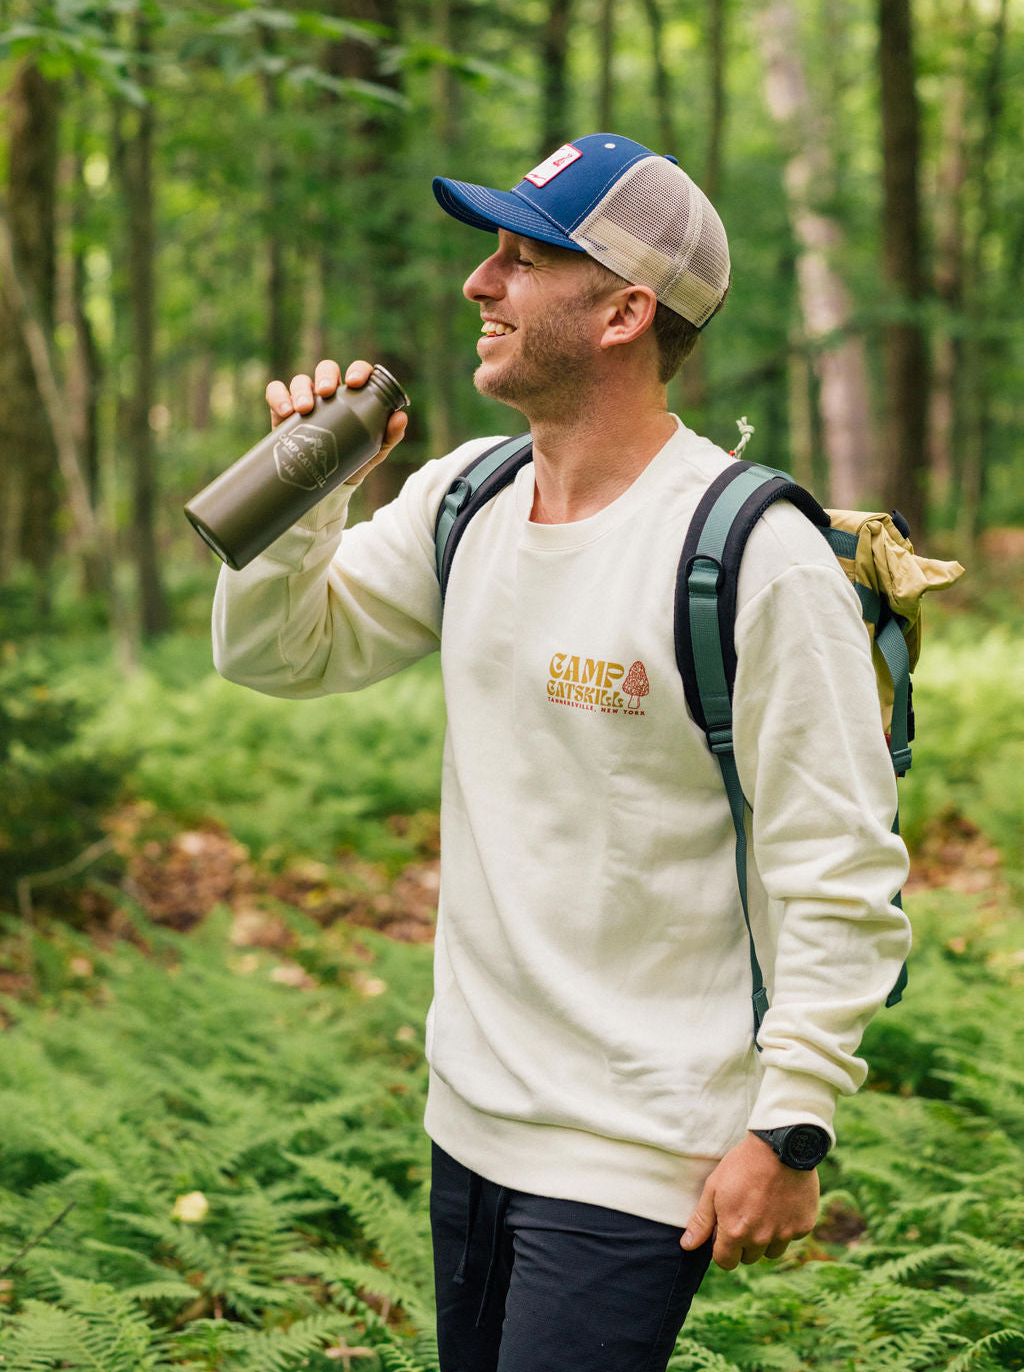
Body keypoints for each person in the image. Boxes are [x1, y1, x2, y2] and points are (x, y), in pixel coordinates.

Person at [212, 133, 911, 1372]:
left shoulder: (754, 556)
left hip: (636, 1152)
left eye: (522, 259)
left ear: (624, 312)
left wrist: (793, 1125)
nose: (479, 285)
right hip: (465, 1115)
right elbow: (280, 654)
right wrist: (307, 490)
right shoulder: (463, 498)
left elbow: (838, 862)